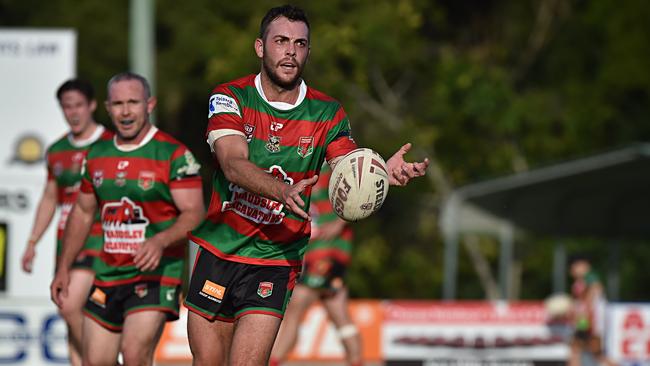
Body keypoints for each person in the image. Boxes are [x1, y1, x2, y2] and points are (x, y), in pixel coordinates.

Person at [184, 5, 429, 365]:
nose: (290, 51)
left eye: (300, 44)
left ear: (308, 52)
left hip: (274, 258)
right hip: (220, 250)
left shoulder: (327, 112)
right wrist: (281, 190)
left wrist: (378, 170)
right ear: (260, 47)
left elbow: (347, 163)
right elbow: (233, 164)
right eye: (280, 41)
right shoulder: (230, 96)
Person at [50, 72, 205, 366]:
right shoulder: (96, 155)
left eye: (133, 102)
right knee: (94, 361)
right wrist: (63, 267)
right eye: (118, 103)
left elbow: (194, 214)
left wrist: (159, 241)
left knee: (134, 355)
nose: (125, 111)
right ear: (107, 108)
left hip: (157, 274)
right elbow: (82, 213)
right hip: (108, 273)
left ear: (149, 104)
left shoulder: (173, 154)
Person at [21, 78, 110, 366]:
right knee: (73, 314)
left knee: (69, 305)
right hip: (67, 245)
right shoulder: (57, 150)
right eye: (66, 106)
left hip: (102, 241)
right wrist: (32, 242)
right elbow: (50, 198)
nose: (73, 112)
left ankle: (105, 360)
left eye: (78, 106)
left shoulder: (109, 145)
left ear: (92, 106)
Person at [270, 164, 362, 366]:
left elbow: (362, 193)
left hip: (327, 251)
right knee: (340, 315)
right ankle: (357, 361)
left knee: (295, 307)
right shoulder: (300, 170)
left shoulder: (333, 170)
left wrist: (339, 222)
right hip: (317, 252)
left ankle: (274, 361)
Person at [568, 255, 614, 366]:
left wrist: (583, 319)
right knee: (577, 348)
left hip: (592, 321)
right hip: (587, 320)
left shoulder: (590, 278)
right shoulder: (582, 281)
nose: (573, 269)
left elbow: (592, 297)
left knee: (594, 352)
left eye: (576, 266)